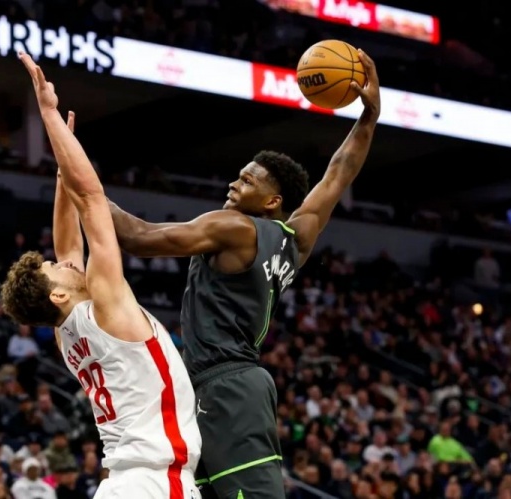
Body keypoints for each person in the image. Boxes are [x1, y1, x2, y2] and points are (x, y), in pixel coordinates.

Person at [107, 50, 381, 498]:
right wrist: (368, 119)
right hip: (215, 387)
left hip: (228, 386)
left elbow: (138, 237)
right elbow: (337, 176)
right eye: (239, 176)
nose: (235, 183)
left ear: (272, 201)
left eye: (249, 181)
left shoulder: (234, 227)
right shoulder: (297, 238)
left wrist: (83, 184)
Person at [0, 52, 202, 499]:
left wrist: (62, 168)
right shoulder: (107, 307)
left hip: (123, 482)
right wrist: (49, 115)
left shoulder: (66, 332)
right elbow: (91, 198)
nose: (63, 262)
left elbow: (68, 244)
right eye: (55, 269)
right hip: (155, 481)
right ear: (57, 296)